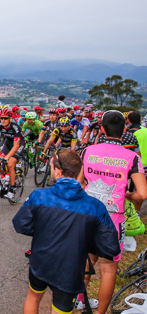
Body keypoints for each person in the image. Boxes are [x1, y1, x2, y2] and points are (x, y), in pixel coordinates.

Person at [13, 150, 120, 314]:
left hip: (40, 261)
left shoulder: (39, 195)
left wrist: (43, 229)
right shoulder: (95, 206)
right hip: (70, 269)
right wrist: (83, 241)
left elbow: (21, 224)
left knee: (33, 297)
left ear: (58, 171)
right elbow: (111, 247)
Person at [80, 110, 147, 313]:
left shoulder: (88, 151)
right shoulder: (131, 157)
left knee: (86, 260)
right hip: (113, 218)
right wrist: (127, 195)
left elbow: (78, 182)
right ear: (125, 130)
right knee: (108, 269)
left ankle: (80, 300)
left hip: (87, 214)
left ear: (101, 129)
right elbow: (142, 194)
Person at [0, 108, 23, 200]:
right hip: (8, 143)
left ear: (10, 118)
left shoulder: (15, 127)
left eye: (5, 118)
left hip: (18, 144)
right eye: (1, 118)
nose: (3, 120)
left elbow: (16, 146)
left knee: (10, 164)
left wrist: (7, 158)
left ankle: (12, 189)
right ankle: (5, 178)